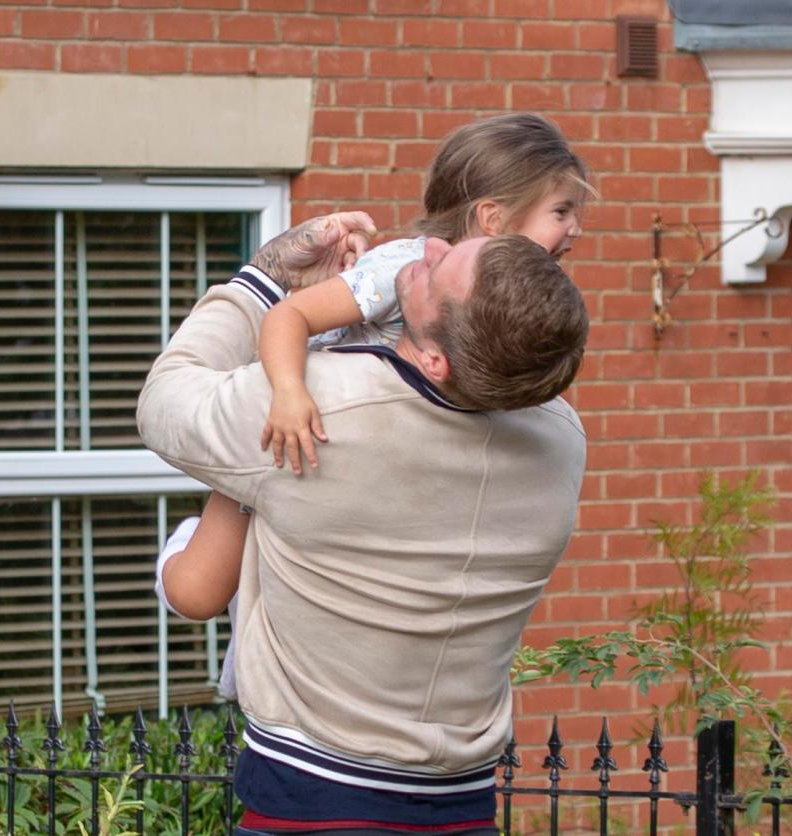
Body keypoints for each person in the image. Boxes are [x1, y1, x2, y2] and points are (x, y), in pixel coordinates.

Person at [137, 210, 589, 833]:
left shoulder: (325, 407)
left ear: (435, 357)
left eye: (435, 270)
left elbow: (166, 402)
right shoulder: (562, 442)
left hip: (314, 807)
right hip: (464, 810)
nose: (426, 245)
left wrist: (263, 280)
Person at [155, 113, 589, 693]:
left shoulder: (511, 332)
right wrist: (287, 391)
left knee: (212, 593)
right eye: (561, 212)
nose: (576, 230)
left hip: (337, 462)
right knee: (195, 590)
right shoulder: (405, 267)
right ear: (491, 217)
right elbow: (291, 316)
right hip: (298, 430)